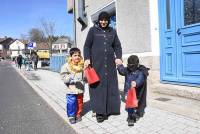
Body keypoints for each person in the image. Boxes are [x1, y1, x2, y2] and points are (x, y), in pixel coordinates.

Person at [83, 11, 123, 123]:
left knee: (110, 85)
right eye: (101, 20)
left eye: (105, 20)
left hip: (110, 64)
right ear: (98, 20)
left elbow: (117, 46)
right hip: (96, 64)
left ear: (108, 21)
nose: (103, 22)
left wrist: (118, 57)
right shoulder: (93, 31)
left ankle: (110, 109)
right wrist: (87, 58)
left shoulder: (112, 31)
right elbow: (87, 46)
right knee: (97, 87)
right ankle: (99, 112)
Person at [117, 55, 149, 126]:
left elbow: (141, 78)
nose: (131, 68)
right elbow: (122, 71)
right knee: (130, 105)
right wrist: (119, 65)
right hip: (129, 91)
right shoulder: (127, 70)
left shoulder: (140, 71)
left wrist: (136, 83)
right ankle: (130, 117)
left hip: (138, 92)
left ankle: (138, 113)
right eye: (129, 66)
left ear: (137, 65)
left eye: (132, 66)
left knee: (138, 104)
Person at [60, 47, 84, 124]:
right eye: (75, 55)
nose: (77, 57)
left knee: (79, 102)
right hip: (71, 88)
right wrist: (70, 76)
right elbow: (63, 78)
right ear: (71, 56)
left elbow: (84, 77)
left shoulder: (82, 65)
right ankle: (71, 115)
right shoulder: (66, 66)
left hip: (80, 88)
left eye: (78, 55)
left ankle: (78, 114)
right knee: (71, 102)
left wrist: (86, 78)